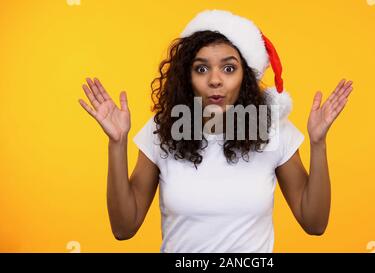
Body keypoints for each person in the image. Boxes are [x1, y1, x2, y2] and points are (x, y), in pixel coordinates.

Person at [78, 10, 353, 253]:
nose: (215, 80)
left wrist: (319, 144)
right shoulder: (162, 130)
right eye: (202, 68)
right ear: (187, 77)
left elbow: (314, 223)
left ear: (245, 75)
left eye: (229, 68)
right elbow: (123, 228)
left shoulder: (271, 128)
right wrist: (117, 143)